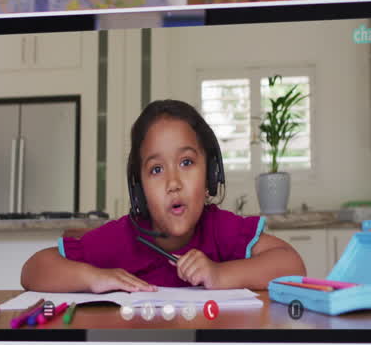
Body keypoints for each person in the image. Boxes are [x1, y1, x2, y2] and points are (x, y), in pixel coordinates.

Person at [21, 99, 305, 292]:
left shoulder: (220, 229)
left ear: (210, 173)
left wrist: (220, 274)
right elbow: (33, 270)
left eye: (186, 163)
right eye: (156, 169)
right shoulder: (122, 238)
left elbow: (291, 265)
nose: (173, 182)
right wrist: (94, 277)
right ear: (139, 188)